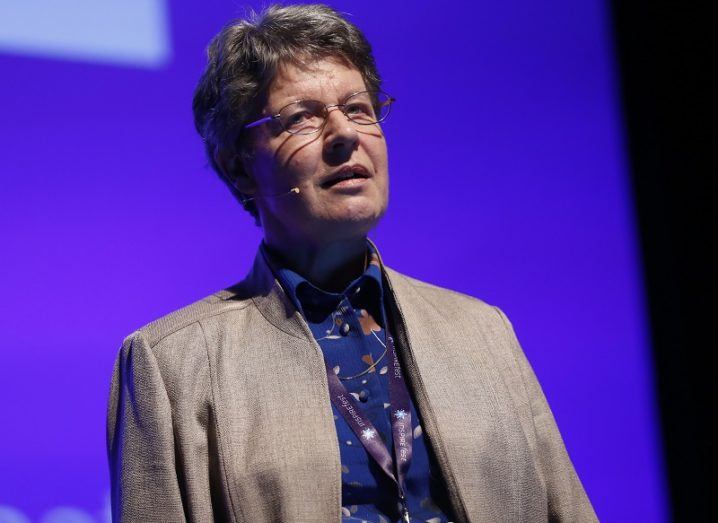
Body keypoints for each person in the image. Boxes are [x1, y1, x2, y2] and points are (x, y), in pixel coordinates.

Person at [106, 4, 596, 522]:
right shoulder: (174, 364)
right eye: (301, 118)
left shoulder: (482, 333)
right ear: (240, 166)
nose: (345, 134)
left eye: (359, 108)